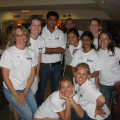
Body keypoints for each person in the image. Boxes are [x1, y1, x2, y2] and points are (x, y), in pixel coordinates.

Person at [0, 26, 38, 120]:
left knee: (35, 113)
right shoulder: (8, 53)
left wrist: (25, 92)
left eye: (23, 34)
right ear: (14, 37)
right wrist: (16, 95)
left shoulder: (31, 52)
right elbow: (5, 77)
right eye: (18, 35)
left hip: (25, 89)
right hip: (11, 89)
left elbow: (32, 74)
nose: (21, 37)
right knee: (28, 115)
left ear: (26, 36)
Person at [36, 11, 66, 107]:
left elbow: (62, 49)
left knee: (55, 90)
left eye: (54, 20)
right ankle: (39, 108)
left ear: (56, 21)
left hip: (57, 66)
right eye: (50, 19)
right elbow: (40, 49)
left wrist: (47, 49)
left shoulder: (60, 33)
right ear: (46, 20)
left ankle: (53, 107)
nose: (52, 21)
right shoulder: (40, 32)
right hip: (44, 66)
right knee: (41, 90)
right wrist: (54, 50)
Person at [97, 31, 120, 107]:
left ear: (110, 41)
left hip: (117, 83)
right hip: (104, 84)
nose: (102, 41)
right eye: (100, 38)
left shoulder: (116, 50)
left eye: (105, 39)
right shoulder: (96, 53)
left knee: (118, 107)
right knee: (104, 108)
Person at [28, 15, 45, 95]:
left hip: (34, 73)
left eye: (39, 25)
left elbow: (39, 57)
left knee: (32, 93)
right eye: (34, 25)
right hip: (24, 73)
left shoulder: (41, 40)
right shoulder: (24, 40)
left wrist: (37, 74)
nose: (37, 28)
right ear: (29, 26)